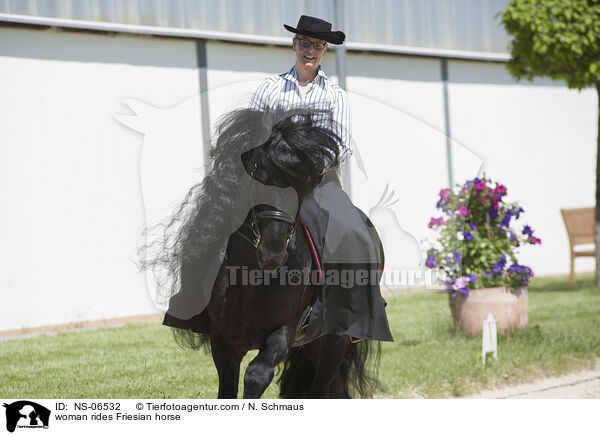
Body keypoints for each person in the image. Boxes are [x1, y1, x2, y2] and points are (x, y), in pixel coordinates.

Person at [249, 15, 393, 344]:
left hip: (319, 180)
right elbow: (251, 132)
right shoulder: (268, 88)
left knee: (355, 232)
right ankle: (203, 305)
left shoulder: (335, 96)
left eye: (317, 45)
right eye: (304, 43)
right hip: (272, 179)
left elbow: (340, 145)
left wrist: (304, 168)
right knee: (217, 221)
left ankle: (357, 315)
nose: (309, 50)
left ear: (325, 51)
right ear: (294, 44)